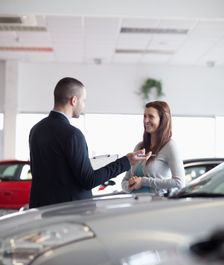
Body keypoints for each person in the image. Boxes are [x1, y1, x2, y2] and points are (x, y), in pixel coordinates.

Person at [29, 77, 150, 208]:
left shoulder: (36, 130)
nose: (84, 105)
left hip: (40, 209)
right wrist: (126, 161)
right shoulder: (72, 134)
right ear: (74, 100)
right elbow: (89, 180)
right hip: (67, 213)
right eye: (84, 100)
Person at [121, 100, 185, 196]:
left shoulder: (170, 146)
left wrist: (143, 181)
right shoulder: (139, 146)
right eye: (144, 116)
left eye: (151, 116)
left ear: (162, 120)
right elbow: (124, 183)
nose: (146, 120)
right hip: (135, 206)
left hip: (155, 207)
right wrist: (130, 184)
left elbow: (179, 183)